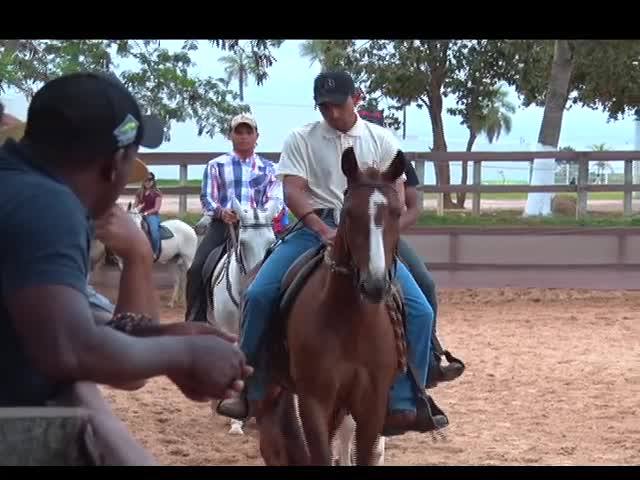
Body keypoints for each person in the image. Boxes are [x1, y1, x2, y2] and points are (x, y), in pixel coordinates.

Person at [0, 72, 251, 407]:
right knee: (82, 404)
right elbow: (72, 347)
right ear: (116, 163)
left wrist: (167, 334)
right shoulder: (46, 205)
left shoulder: (17, 188)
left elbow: (87, 327)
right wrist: (182, 353)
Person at [218, 71, 448, 435]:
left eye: (337, 104)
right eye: (323, 106)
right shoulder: (302, 138)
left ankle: (409, 396)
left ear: (355, 99)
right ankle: (250, 387)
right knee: (259, 293)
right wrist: (321, 228)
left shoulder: (381, 139)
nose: (331, 112)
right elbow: (293, 189)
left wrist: (381, 230)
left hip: (371, 229)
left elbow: (399, 196)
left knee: (422, 301)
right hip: (316, 228)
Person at [357, 108, 464, 386]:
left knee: (426, 285)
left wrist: (388, 232)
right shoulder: (347, 161)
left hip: (387, 235)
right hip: (352, 232)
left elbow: (415, 207)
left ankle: (430, 358)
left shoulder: (397, 161)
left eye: (378, 127)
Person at [185, 113, 285, 323]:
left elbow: (276, 197)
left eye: (249, 132)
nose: (244, 136)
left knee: (287, 265)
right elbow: (207, 197)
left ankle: (286, 318)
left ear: (257, 136)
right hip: (224, 225)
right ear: (230, 135)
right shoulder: (216, 165)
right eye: (238, 132)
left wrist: (261, 214)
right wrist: (222, 212)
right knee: (197, 268)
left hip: (260, 227)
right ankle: (196, 318)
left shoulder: (270, 168)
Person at [133, 171, 163, 260]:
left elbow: (156, 208)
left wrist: (146, 213)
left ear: (153, 181)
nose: (147, 182)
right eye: (145, 180)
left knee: (154, 232)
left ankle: (155, 252)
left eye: (150, 180)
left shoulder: (157, 193)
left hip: (152, 216)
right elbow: (135, 205)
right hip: (139, 215)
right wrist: (135, 209)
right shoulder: (139, 192)